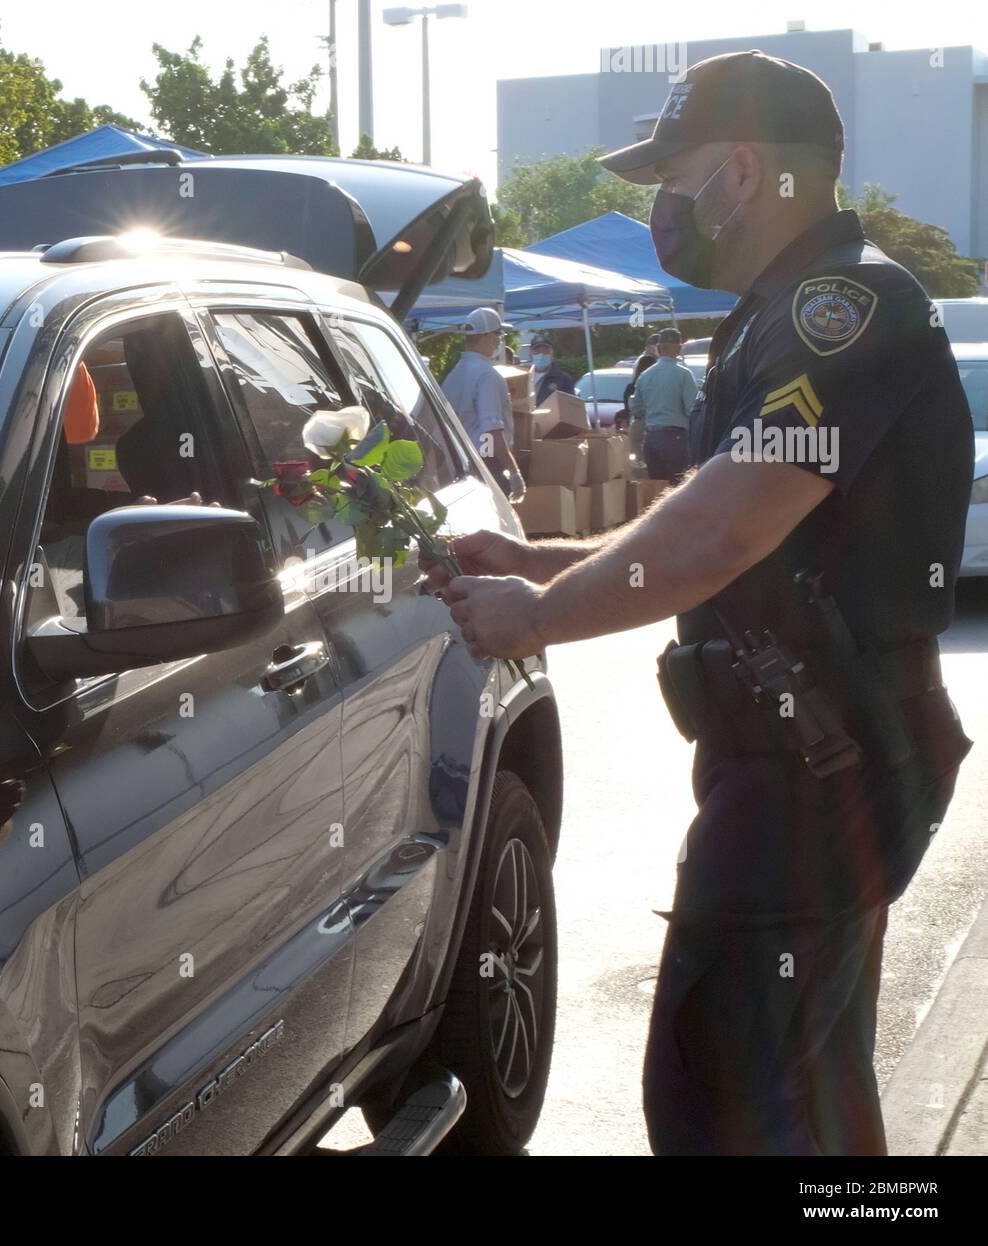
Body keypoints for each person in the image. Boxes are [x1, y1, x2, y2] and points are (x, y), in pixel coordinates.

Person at [424, 49, 973, 1156]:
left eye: (669, 180)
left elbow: (726, 528)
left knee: (717, 1100)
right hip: (814, 760)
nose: (662, 209)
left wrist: (537, 619)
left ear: (739, 171)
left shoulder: (841, 302)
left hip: (818, 771)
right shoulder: (787, 308)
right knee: (810, 1094)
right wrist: (546, 559)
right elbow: (720, 523)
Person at [441, 306, 525, 501]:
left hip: (459, 461)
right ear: (487, 336)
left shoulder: (454, 375)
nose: (498, 340)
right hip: (486, 462)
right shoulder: (488, 375)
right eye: (498, 334)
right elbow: (491, 431)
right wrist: (512, 471)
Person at [628, 327, 698, 482]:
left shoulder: (645, 376)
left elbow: (635, 408)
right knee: (677, 489)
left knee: (656, 490)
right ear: (679, 348)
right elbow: (692, 409)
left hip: (651, 439)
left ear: (659, 348)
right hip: (676, 439)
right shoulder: (684, 374)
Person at [620, 350, 658, 452]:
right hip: (655, 425)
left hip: (637, 423)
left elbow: (628, 408)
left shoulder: (631, 387)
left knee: (635, 453)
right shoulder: (657, 387)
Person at [529, 335, 575, 408]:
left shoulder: (564, 379)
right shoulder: (524, 378)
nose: (541, 355)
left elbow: (571, 407)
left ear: (552, 354)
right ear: (530, 354)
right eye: (537, 351)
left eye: (545, 351)